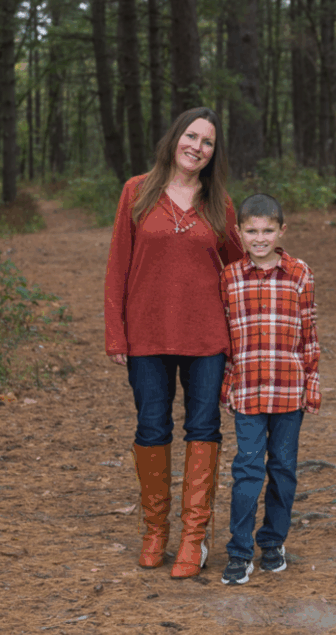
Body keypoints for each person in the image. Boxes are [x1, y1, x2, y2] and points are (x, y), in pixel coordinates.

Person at [104, 107, 245, 579]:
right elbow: (117, 266)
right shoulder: (136, 192)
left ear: (213, 153)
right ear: (174, 138)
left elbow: (240, 267)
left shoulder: (219, 205)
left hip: (206, 336)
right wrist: (115, 331)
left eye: (207, 142)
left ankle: (193, 537)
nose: (197, 147)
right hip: (146, 333)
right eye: (191, 136)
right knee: (151, 427)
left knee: (203, 427)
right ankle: (154, 532)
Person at [218, 193, 321, 586]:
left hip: (288, 391)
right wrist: (227, 386)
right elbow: (227, 341)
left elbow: (308, 334)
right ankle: (239, 551)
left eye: (267, 230)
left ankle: (273, 542)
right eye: (251, 231)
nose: (259, 238)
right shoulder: (229, 278)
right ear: (239, 233)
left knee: (282, 469)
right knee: (246, 470)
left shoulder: (299, 274)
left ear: (281, 231)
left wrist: (312, 384)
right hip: (247, 391)